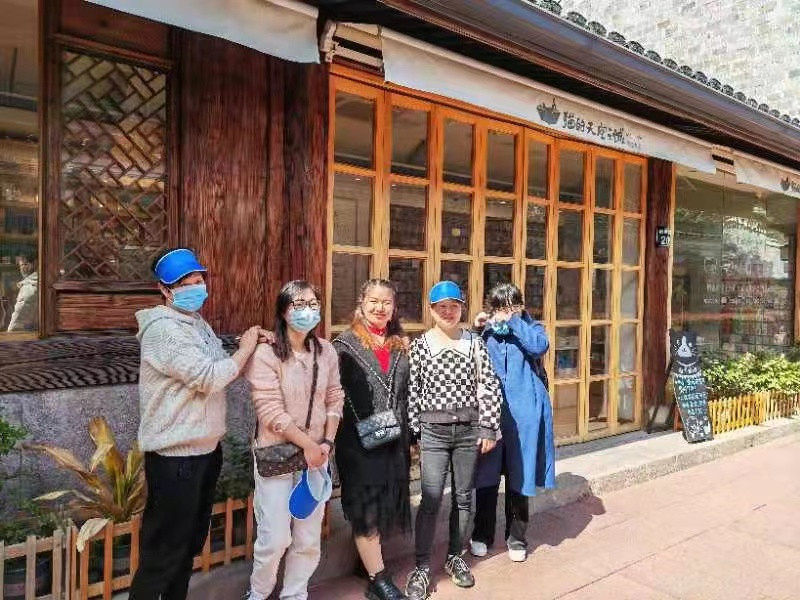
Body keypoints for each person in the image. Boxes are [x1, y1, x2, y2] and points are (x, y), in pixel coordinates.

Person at [130, 248, 262, 600]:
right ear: (164, 289)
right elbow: (208, 377)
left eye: (198, 281)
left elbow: (222, 365)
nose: (195, 288)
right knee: (163, 553)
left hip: (205, 452)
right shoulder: (163, 330)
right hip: (175, 459)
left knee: (188, 546)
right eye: (184, 284)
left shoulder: (197, 324)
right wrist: (246, 348)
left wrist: (249, 347)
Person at [244, 280, 344, 600]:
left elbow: (334, 397)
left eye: (313, 304)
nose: (307, 311)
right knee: (275, 538)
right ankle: (258, 593)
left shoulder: (326, 351)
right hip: (276, 455)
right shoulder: (266, 353)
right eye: (298, 304)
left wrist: (327, 443)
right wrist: (310, 445)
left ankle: (295, 594)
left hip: (315, 459)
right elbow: (270, 411)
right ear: (284, 311)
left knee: (308, 540)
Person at [405, 281, 503, 600]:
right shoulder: (420, 345)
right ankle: (421, 567)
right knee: (431, 498)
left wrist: (488, 428)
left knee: (463, 498)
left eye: (454, 306)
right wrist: (414, 432)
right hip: (433, 432)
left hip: (467, 431)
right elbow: (413, 390)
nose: (448, 312)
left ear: (462, 308)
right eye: (442, 306)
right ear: (431, 310)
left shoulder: (474, 342)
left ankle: (454, 556)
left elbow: (489, 384)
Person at [333, 279, 411, 600]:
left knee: (382, 505)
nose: (380, 308)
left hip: (393, 439)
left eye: (386, 302)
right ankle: (379, 580)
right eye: (373, 302)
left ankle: (366, 563)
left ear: (394, 308)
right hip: (358, 442)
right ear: (361, 304)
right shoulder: (344, 345)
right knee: (365, 507)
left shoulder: (400, 344)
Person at [470, 283, 556, 563]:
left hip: (525, 415)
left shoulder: (533, 328)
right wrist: (477, 329)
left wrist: (515, 322)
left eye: (512, 306)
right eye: (500, 307)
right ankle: (481, 533)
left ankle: (517, 537)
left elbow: (539, 346)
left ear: (521, 306)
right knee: (486, 477)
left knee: (520, 477)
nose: (506, 312)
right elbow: (469, 356)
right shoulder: (487, 331)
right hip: (491, 415)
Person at [7, 253, 38, 332]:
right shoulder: (27, 283)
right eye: (21, 265)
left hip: (24, 328)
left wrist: (11, 329)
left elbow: (20, 311)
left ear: (34, 264)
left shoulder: (29, 286)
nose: (22, 268)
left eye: (25, 264)